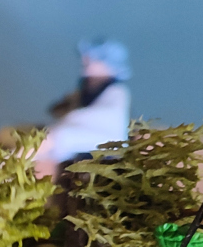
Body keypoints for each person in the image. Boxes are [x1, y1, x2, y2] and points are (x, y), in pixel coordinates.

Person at [33, 38, 131, 176]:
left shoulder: (117, 92)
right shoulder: (84, 91)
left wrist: (74, 116)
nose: (86, 62)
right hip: (83, 135)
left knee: (58, 137)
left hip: (103, 138)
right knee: (51, 139)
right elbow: (58, 109)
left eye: (94, 59)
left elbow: (107, 116)